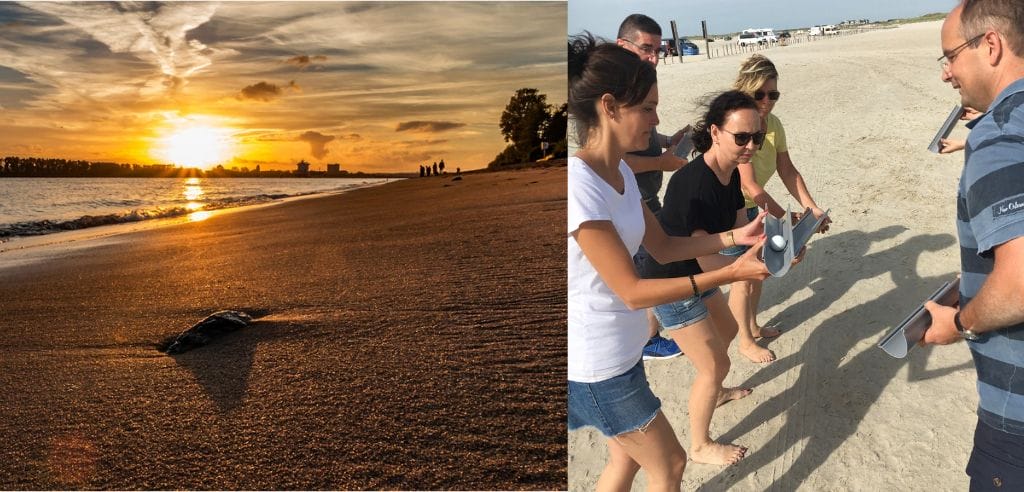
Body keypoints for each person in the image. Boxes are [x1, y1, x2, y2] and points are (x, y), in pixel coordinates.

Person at [567, 34, 769, 489]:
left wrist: (738, 236)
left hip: (621, 353)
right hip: (597, 366)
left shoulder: (617, 170)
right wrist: (731, 272)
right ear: (609, 106)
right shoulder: (580, 186)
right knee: (672, 464)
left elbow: (663, 246)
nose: (657, 119)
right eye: (648, 108)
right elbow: (633, 291)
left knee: (625, 463)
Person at [638, 90, 791, 466]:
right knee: (715, 364)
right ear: (716, 132)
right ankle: (701, 444)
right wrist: (751, 268)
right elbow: (706, 258)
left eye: (756, 137)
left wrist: (780, 244)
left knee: (725, 331)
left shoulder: (730, 173)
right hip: (672, 282)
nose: (751, 146)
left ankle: (715, 391)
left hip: (696, 271)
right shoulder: (694, 185)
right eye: (741, 137)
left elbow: (741, 226)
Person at [921, 1, 1024, 490]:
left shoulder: (1001, 134)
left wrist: (958, 322)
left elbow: (1022, 283)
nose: (947, 74)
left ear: (991, 45)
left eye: (952, 56)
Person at [726, 54, 832, 363]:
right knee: (743, 278)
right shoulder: (740, 124)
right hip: (733, 210)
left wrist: (811, 208)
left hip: (756, 208)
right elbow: (748, 185)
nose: (767, 101)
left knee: (762, 271)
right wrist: (786, 220)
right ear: (745, 90)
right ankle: (744, 340)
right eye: (759, 94)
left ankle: (754, 326)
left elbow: (787, 169)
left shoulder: (773, 124)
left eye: (773, 94)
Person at [616, 13, 692, 361]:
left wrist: (667, 140)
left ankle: (647, 333)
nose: (654, 58)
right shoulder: (613, 91)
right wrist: (661, 162)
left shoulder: (635, 86)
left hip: (646, 196)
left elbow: (637, 140)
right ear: (623, 46)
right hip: (631, 200)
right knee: (648, 268)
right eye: (647, 49)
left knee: (651, 262)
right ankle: (647, 339)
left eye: (659, 50)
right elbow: (612, 159)